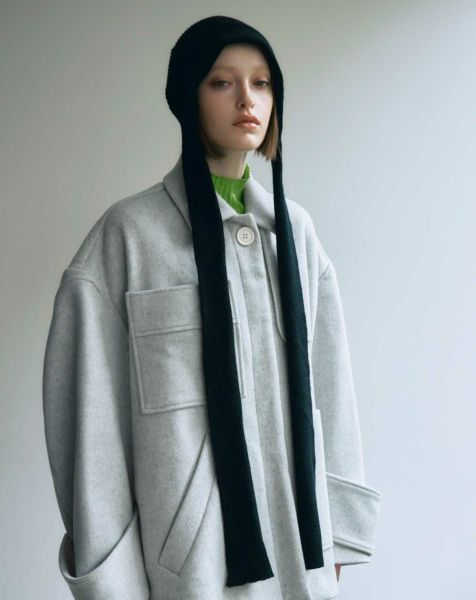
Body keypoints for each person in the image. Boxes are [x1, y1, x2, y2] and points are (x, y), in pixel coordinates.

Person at [42, 16, 382, 600]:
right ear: (188, 97)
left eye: (262, 83)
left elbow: (332, 387)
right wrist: (110, 579)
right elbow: (89, 421)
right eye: (222, 82)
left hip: (301, 562)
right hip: (189, 574)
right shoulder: (128, 238)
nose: (247, 99)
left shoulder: (296, 234)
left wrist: (339, 535)